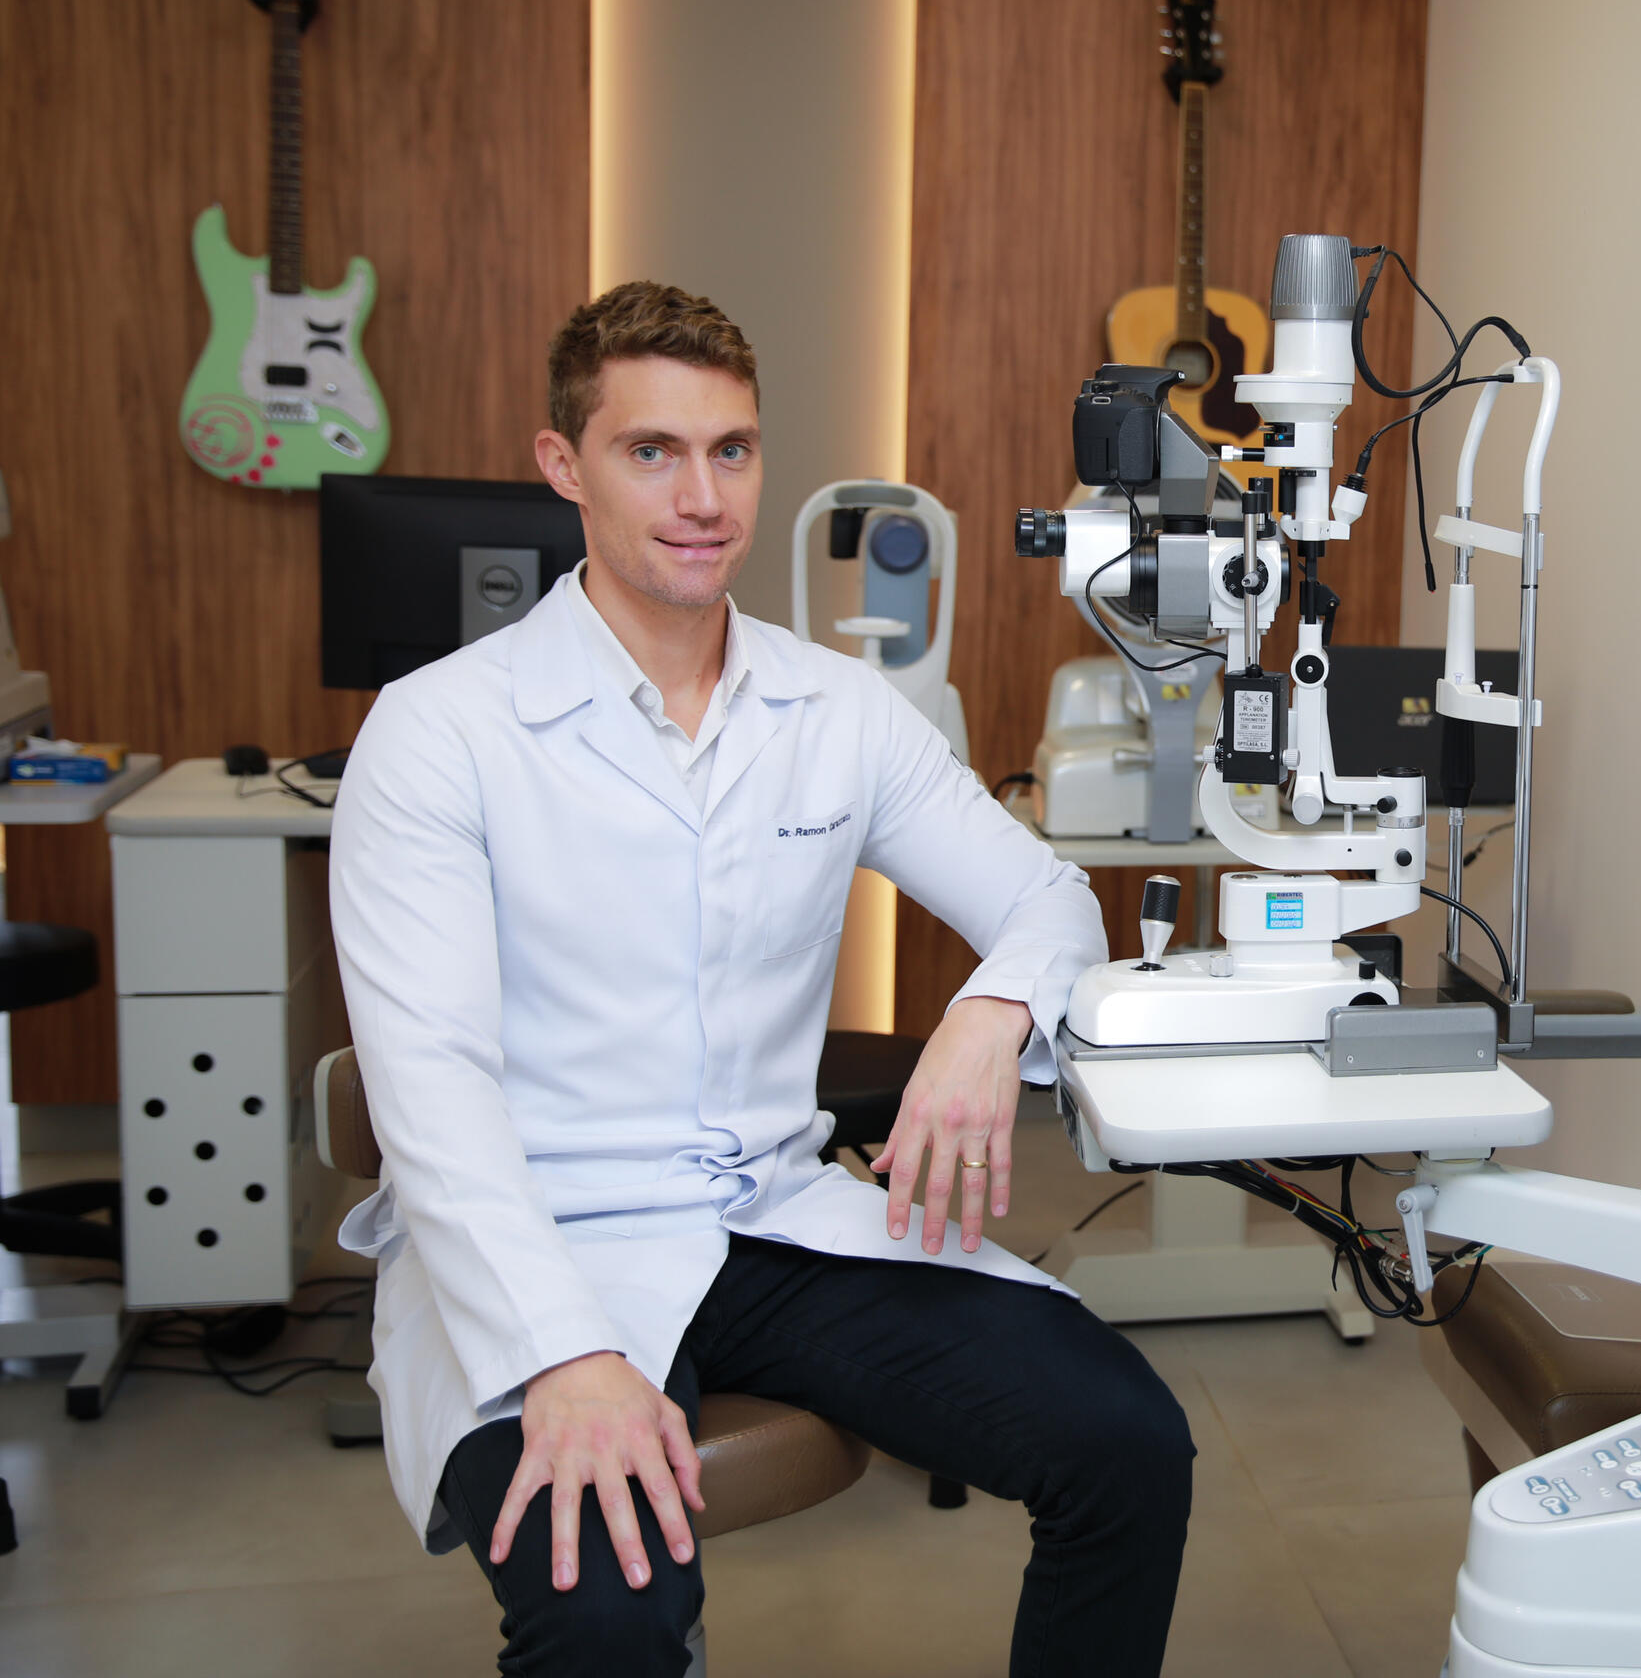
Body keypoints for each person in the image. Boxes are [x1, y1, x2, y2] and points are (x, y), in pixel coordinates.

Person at [329, 280, 1194, 1676]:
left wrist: (988, 1014)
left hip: (768, 1216)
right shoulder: (441, 732)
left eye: (730, 450)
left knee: (1128, 1445)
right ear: (565, 466)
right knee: (605, 1604)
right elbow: (430, 1092)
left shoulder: (836, 708)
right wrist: (563, 1356)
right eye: (651, 451)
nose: (702, 497)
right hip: (538, 1235)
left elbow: (1048, 899)